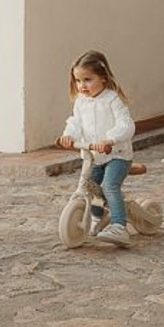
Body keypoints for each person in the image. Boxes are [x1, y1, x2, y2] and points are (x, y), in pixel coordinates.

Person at [58, 50, 135, 247]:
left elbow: (126, 124)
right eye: (78, 81)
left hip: (117, 155)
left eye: (87, 80)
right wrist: (69, 135)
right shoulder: (80, 101)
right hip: (94, 156)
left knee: (109, 186)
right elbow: (76, 122)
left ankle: (119, 226)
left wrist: (110, 139)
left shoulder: (113, 99)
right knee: (90, 187)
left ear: (103, 78)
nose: (82, 85)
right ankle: (96, 218)